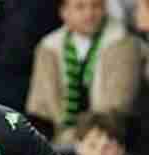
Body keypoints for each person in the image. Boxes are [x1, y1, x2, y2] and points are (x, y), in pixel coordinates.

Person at [26, 0, 144, 145]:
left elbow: (118, 105)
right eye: (80, 7)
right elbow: (40, 108)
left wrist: (84, 138)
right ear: (64, 12)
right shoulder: (48, 48)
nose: (89, 14)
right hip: (57, 141)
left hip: (109, 139)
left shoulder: (123, 44)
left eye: (96, 6)